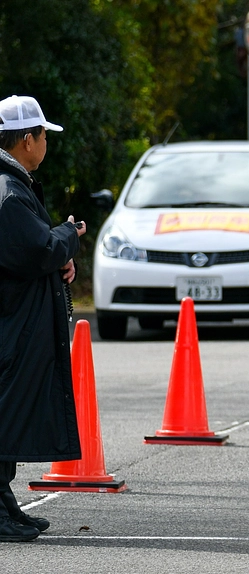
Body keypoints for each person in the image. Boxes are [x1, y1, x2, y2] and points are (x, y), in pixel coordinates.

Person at [0, 95, 85, 542]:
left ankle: (6, 506)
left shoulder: (13, 183)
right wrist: (68, 236)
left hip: (16, 322)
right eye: (43, 136)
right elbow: (37, 250)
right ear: (28, 139)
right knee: (5, 412)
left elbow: (32, 252)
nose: (45, 145)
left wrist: (57, 252)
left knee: (10, 413)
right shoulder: (9, 191)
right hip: (11, 326)